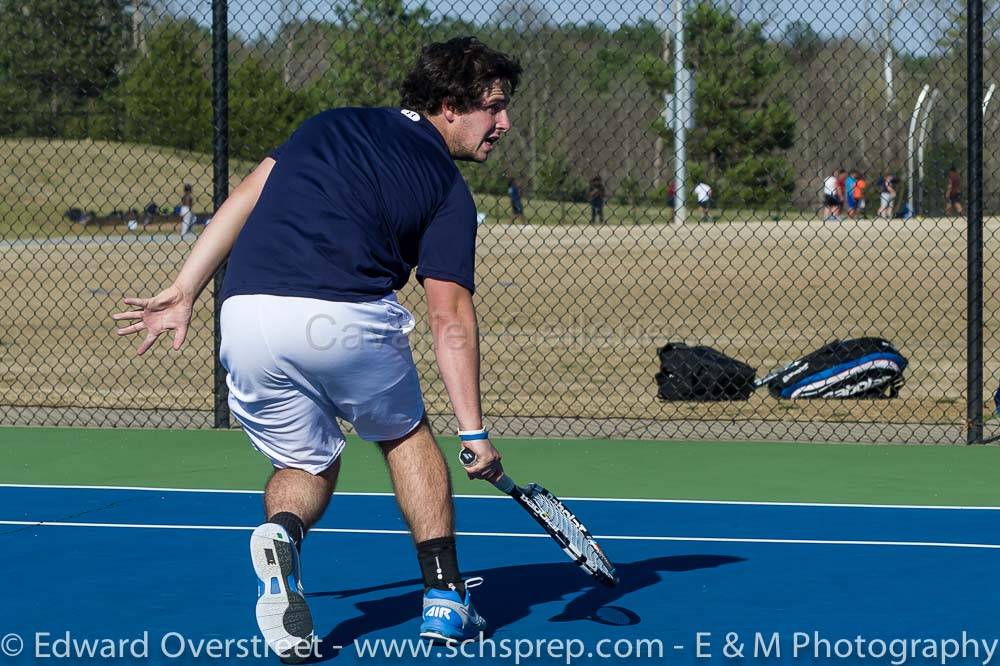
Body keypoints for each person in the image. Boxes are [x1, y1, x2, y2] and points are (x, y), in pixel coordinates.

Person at [113, 37, 521, 660]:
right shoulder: (448, 189)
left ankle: (282, 536)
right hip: (344, 317)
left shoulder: (326, 125)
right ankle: (444, 598)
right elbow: (450, 315)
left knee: (306, 463)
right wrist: (474, 432)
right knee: (406, 435)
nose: (504, 123)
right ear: (448, 105)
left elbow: (244, 198)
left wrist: (184, 289)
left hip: (246, 317)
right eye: (492, 107)